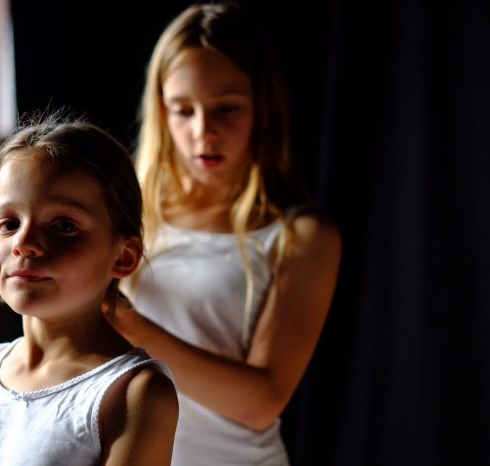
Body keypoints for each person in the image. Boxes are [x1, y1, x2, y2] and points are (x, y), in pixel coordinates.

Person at [101, 2, 342, 465]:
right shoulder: (125, 202)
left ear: (264, 110)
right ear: (161, 111)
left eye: (226, 109)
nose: (202, 132)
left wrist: (130, 324)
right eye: (182, 110)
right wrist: (10, 247)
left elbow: (261, 402)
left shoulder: (300, 237)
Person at [0, 113, 178, 466]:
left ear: (123, 257)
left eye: (63, 226)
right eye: (9, 223)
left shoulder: (133, 393)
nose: (25, 243)